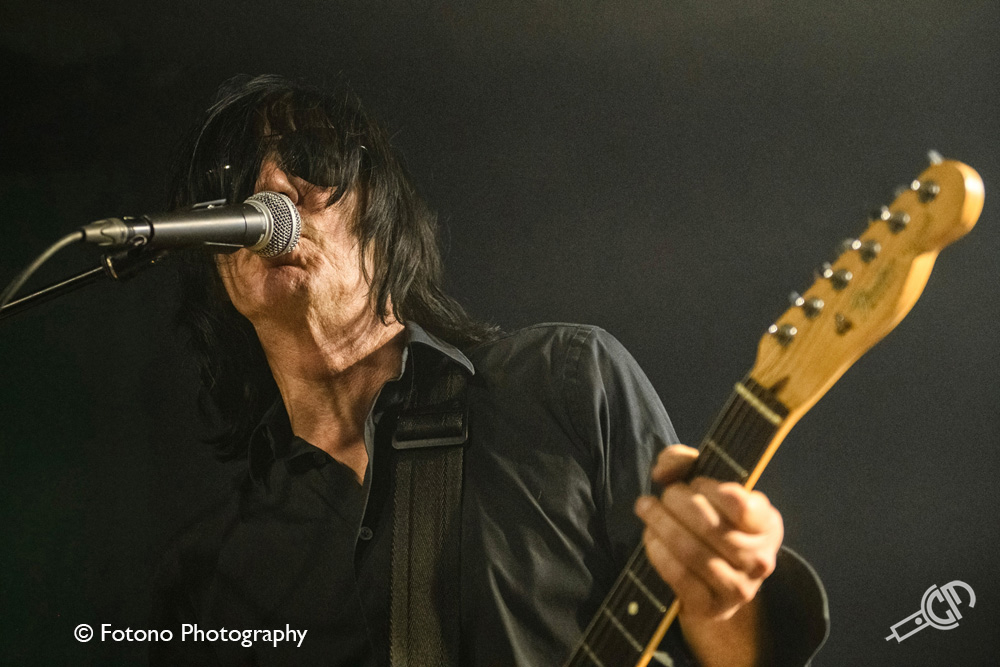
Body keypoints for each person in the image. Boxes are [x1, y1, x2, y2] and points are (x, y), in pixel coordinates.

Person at [151, 74, 828, 666]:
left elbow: (716, 638)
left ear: (382, 217)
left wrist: (724, 596)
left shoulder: (564, 381)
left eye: (310, 160)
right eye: (231, 181)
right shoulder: (211, 572)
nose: (269, 188)